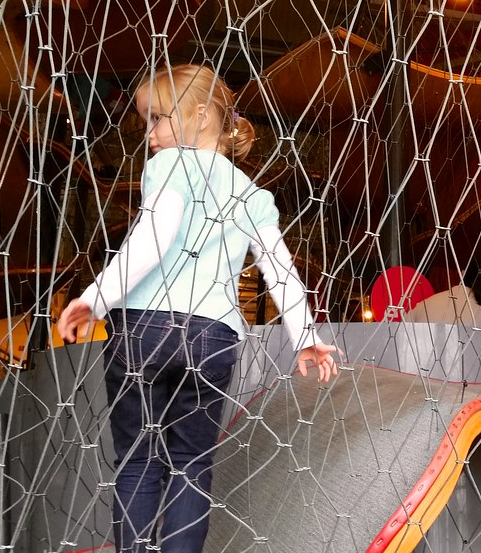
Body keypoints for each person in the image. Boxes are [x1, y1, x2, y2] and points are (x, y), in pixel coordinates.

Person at [56, 64, 339, 552]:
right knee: (191, 462)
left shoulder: (170, 167)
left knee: (139, 459)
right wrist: (306, 336)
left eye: (158, 119)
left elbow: (153, 240)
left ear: (202, 114)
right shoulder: (252, 193)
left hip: (146, 327)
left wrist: (94, 297)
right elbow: (279, 269)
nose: (150, 135)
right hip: (212, 338)